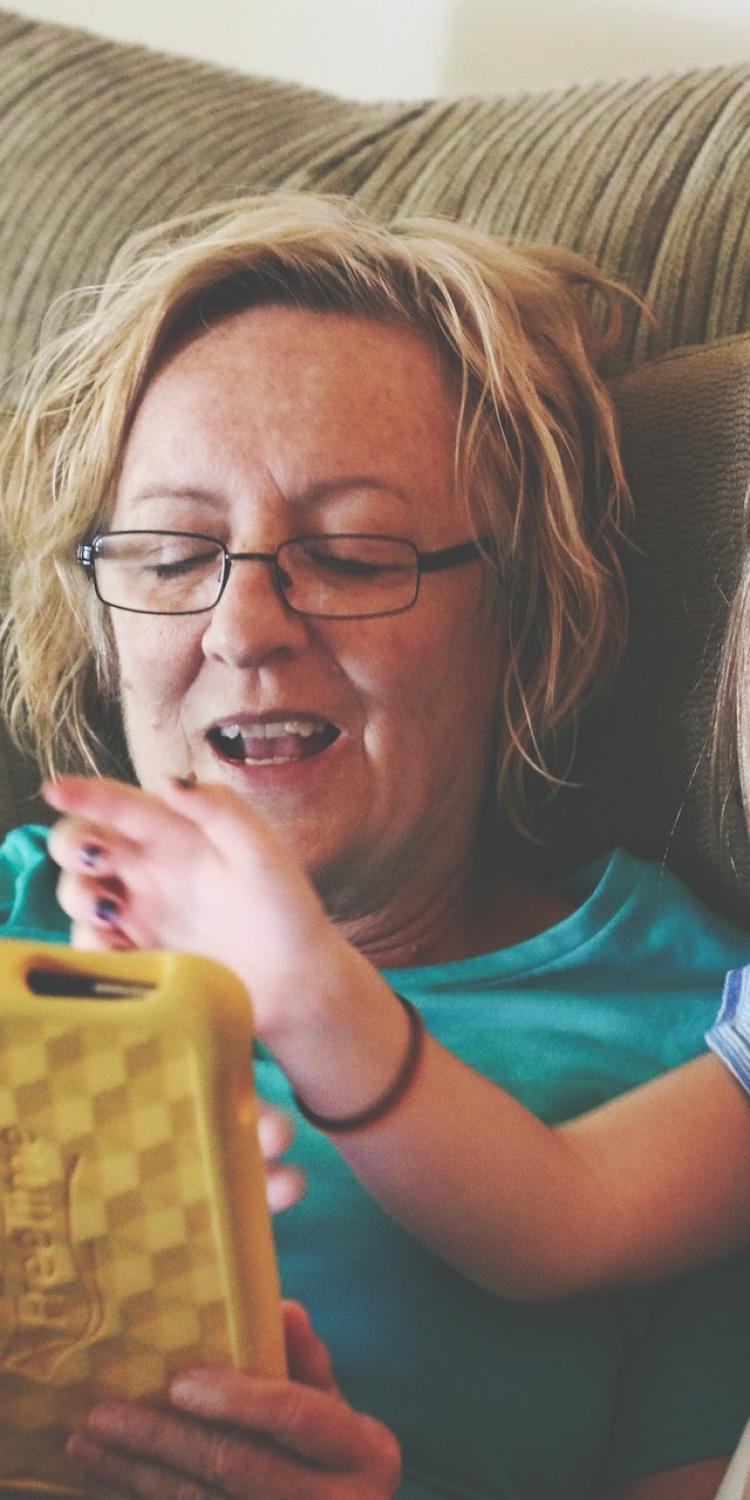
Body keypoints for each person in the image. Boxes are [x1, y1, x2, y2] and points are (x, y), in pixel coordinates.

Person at [1, 191, 749, 1500]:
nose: (241, 627)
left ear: (522, 610)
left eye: (350, 553)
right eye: (172, 553)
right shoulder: (24, 914)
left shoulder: (677, 1053)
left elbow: (562, 1228)